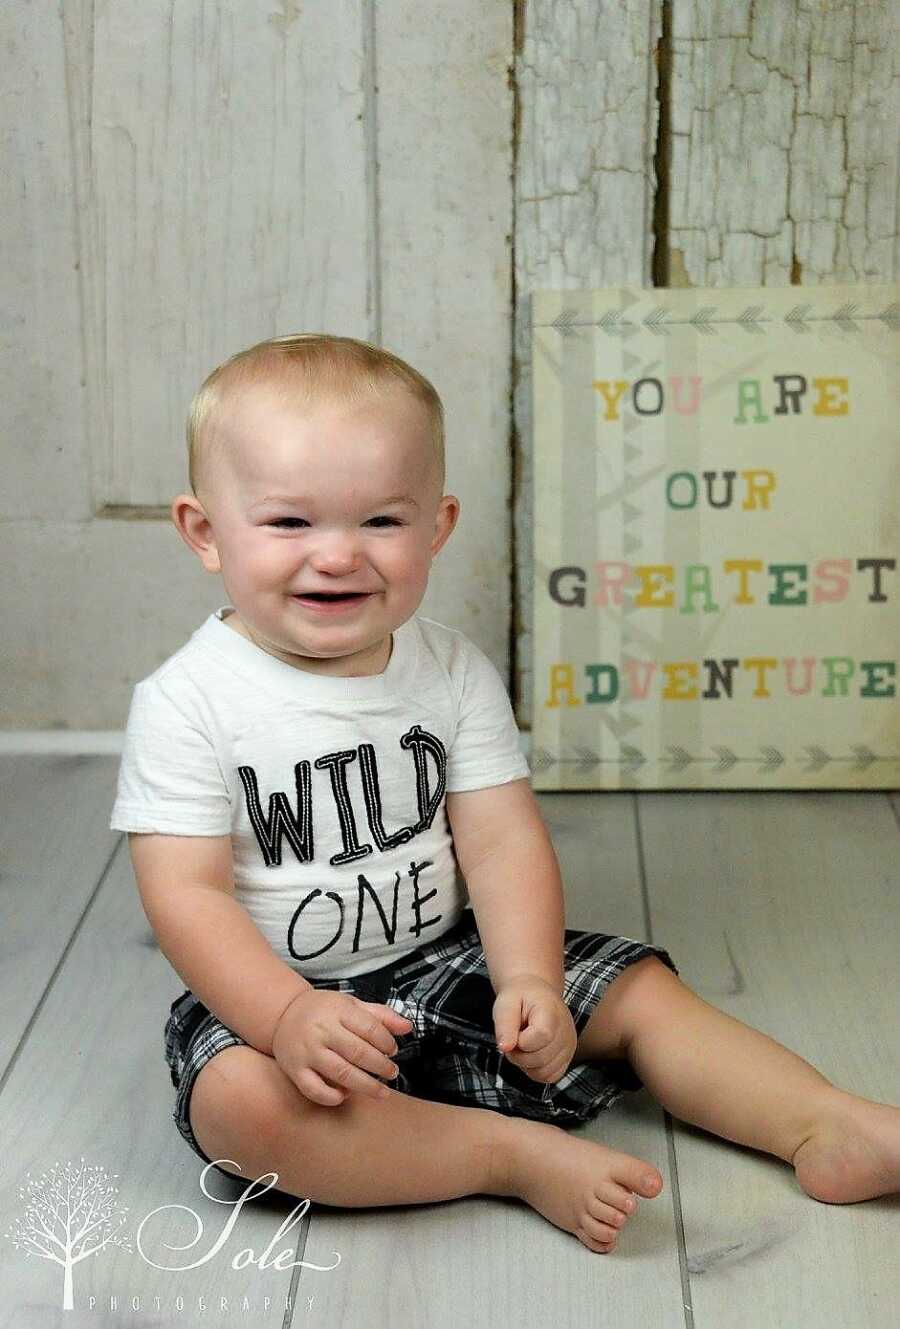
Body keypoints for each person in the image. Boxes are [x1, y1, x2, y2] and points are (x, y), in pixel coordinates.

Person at [110, 333, 899, 1256]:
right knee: (239, 1110)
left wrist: (528, 977)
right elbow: (187, 894)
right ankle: (501, 1154)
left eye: (381, 522)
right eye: (289, 524)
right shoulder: (186, 701)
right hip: (279, 997)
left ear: (437, 526)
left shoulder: (449, 671)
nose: (337, 556)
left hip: (451, 956)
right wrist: (284, 1016)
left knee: (640, 993)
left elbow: (501, 842)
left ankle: (822, 1121)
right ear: (206, 531)